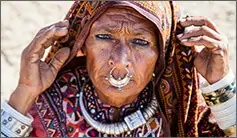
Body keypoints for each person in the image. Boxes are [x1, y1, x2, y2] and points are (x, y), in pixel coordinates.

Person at [1, 1, 236, 137]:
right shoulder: (49, 105)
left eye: (141, 42)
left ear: (161, 55)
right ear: (83, 43)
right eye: (104, 37)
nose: (121, 60)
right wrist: (25, 92)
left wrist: (222, 84)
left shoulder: (179, 110)